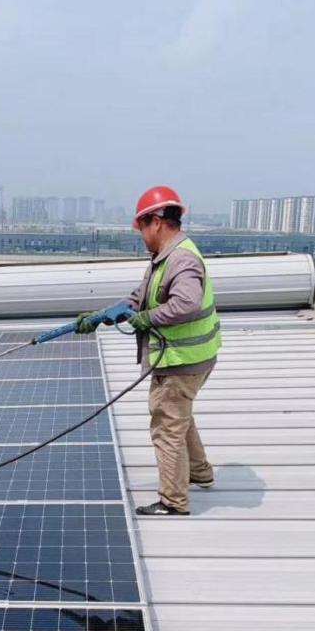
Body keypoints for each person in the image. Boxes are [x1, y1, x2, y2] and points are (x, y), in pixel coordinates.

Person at [76, 186, 221, 516]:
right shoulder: (167, 256)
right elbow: (140, 297)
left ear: (156, 222)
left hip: (180, 360)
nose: (141, 236)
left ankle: (173, 501)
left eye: (141, 228)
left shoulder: (181, 259)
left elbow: (186, 303)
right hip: (192, 359)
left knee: (166, 425)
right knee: (179, 415)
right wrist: (103, 316)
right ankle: (200, 472)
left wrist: (146, 319)